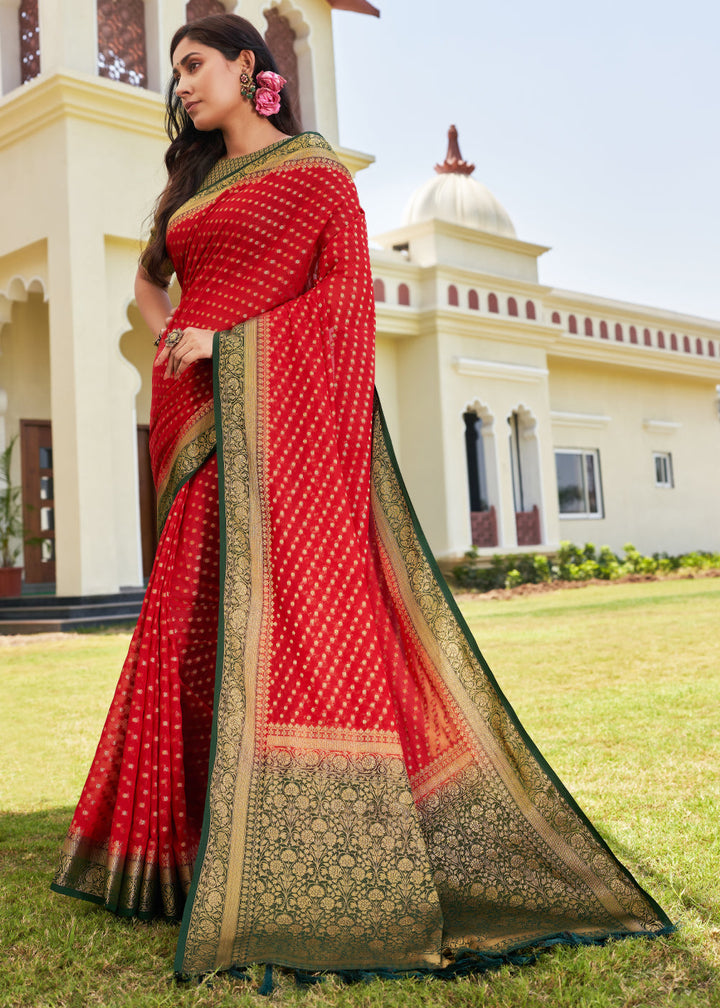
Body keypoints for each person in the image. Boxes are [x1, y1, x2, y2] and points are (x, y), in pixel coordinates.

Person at [51, 12, 673, 981]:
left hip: (270, 424)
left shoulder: (316, 178)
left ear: (249, 67)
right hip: (206, 431)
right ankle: (178, 861)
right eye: (174, 70)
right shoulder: (193, 183)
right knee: (186, 630)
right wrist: (176, 330)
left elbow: (343, 306)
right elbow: (148, 276)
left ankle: (292, 861)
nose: (180, 83)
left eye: (194, 65)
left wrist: (229, 343)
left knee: (269, 629)